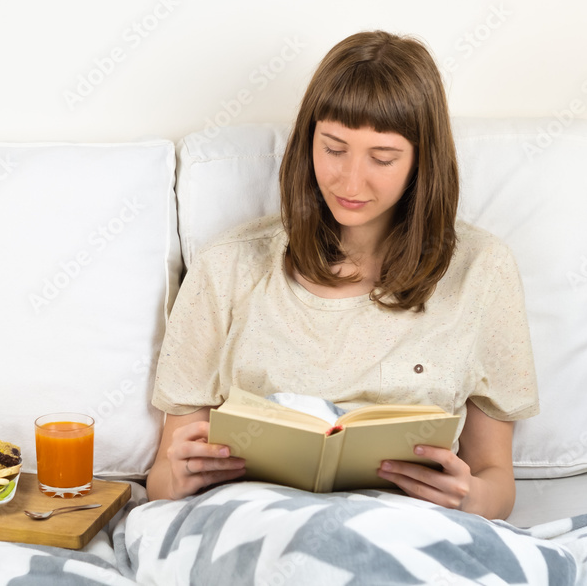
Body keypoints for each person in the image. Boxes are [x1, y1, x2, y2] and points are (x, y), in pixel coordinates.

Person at [145, 30, 539, 520]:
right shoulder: (227, 266)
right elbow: (161, 480)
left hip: (405, 531)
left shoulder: (483, 270)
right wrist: (177, 477)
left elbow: (496, 479)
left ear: (423, 162)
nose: (351, 182)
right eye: (333, 148)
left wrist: (472, 496)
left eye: (382, 158)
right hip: (253, 526)